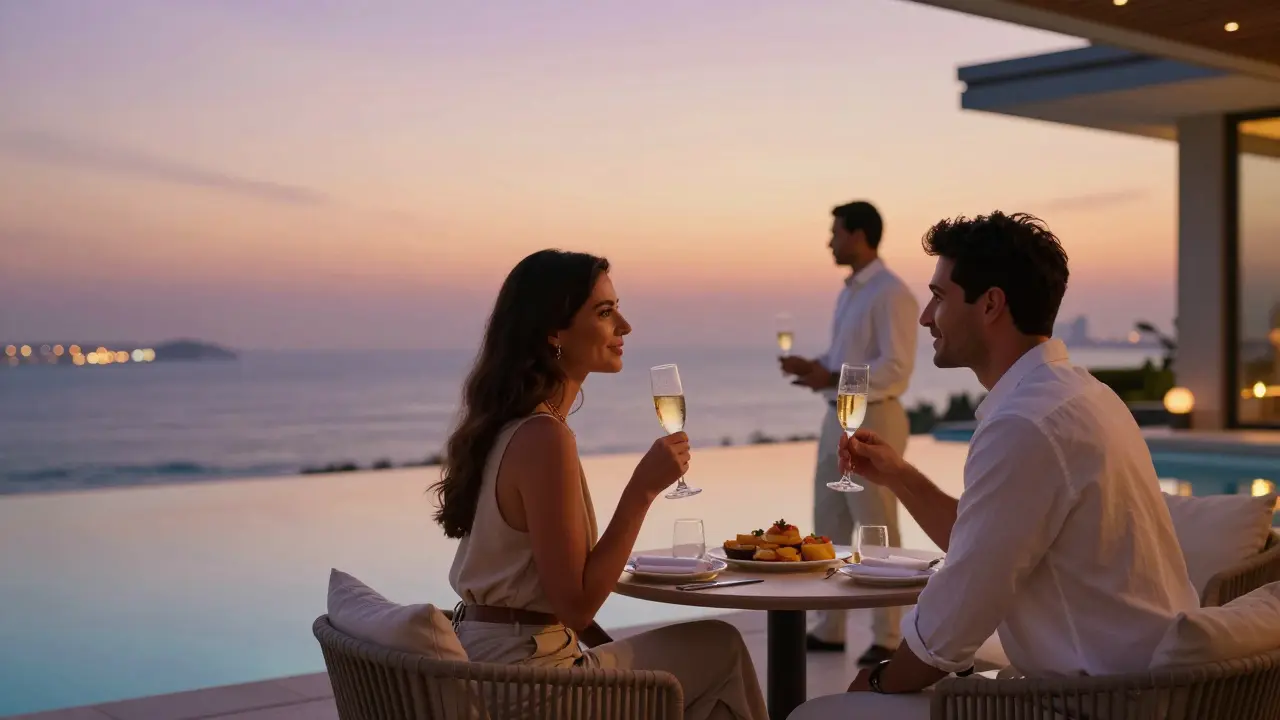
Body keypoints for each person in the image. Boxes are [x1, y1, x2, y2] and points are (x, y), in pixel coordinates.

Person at [788, 212, 1198, 719]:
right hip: (1142, 682)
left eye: (939, 297)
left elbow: (952, 621)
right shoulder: (1083, 396)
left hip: (1097, 701)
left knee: (817, 714)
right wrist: (898, 474)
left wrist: (874, 680)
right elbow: (983, 541)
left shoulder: (1025, 424)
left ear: (990, 304)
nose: (925, 318)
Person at [433, 249, 768, 720]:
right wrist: (642, 491)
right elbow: (573, 603)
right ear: (554, 331)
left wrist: (612, 651)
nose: (625, 327)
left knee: (701, 661)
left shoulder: (508, 427)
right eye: (605, 312)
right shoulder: (544, 437)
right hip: (531, 684)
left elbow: (551, 597)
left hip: (495, 663)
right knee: (722, 647)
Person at [780, 200, 919, 665]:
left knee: (876, 522)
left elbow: (896, 369)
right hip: (836, 415)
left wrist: (831, 377)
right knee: (830, 520)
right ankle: (831, 626)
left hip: (874, 417)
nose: (829, 240)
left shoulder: (891, 293)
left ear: (858, 235)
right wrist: (815, 367)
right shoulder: (852, 292)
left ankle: (891, 635)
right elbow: (848, 357)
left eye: (835, 231)